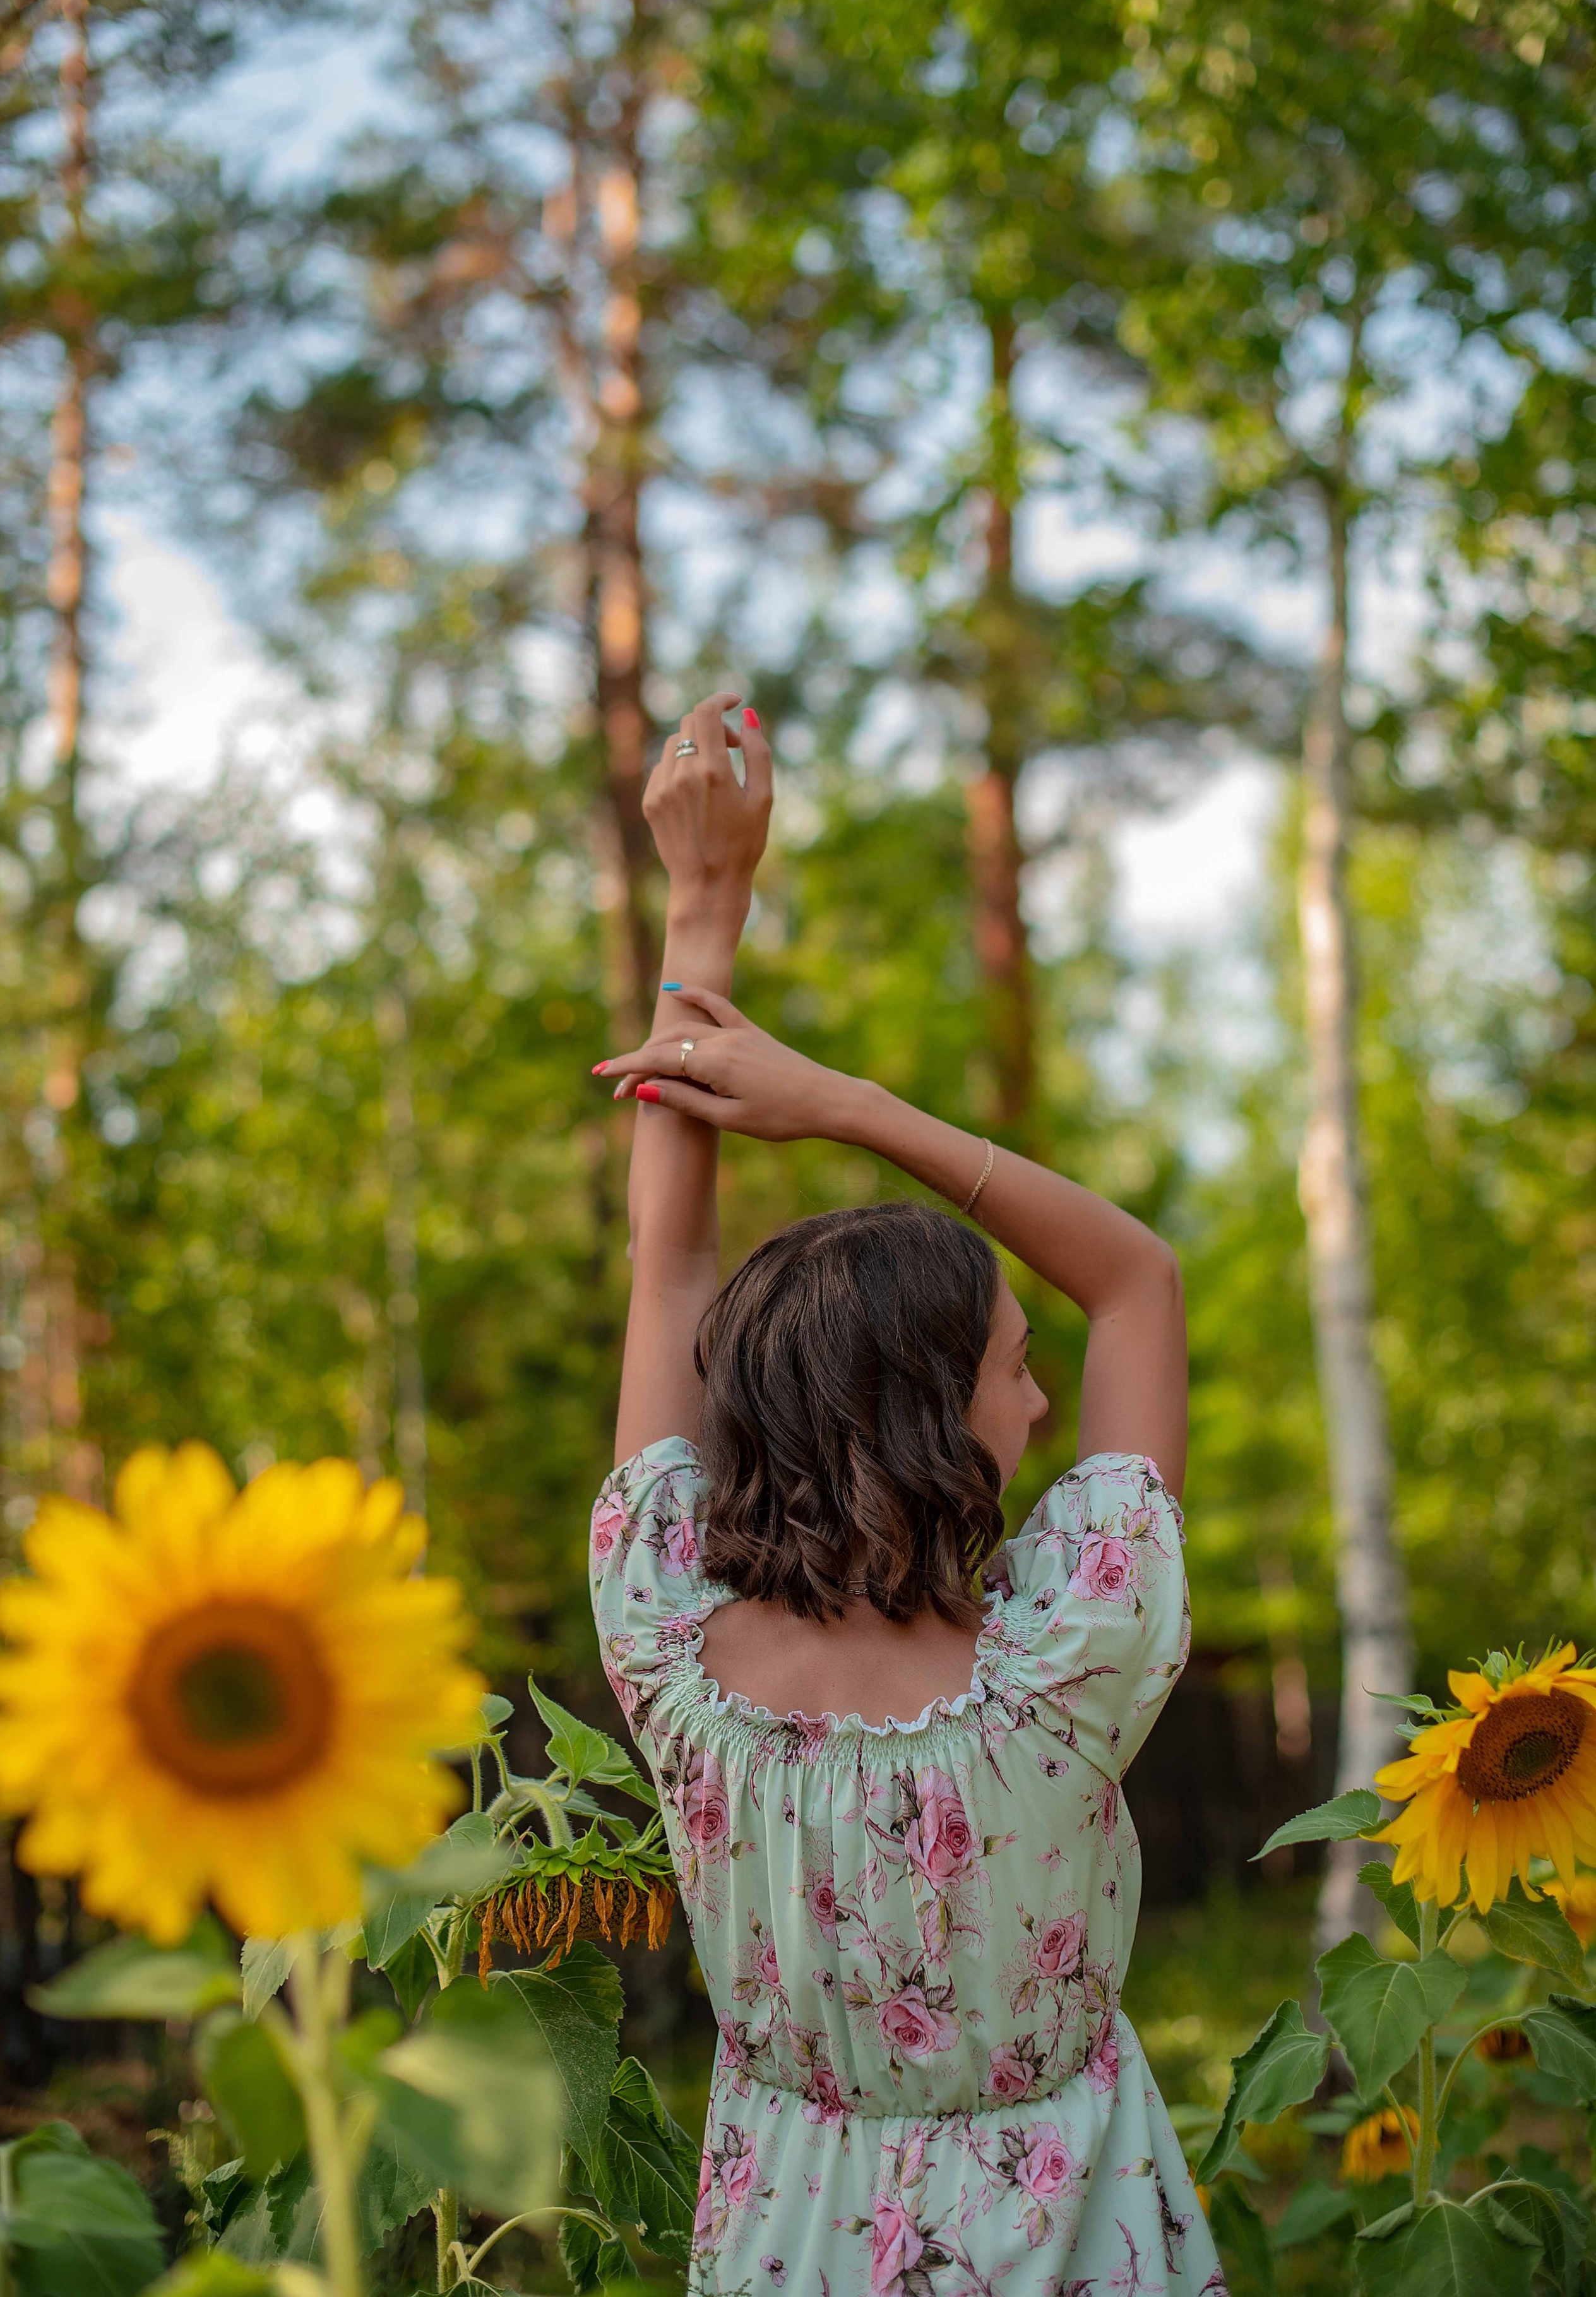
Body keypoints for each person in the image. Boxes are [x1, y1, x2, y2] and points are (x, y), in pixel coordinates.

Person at [587, 691, 1227, 2297]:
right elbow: (1137, 1280)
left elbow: (667, 1276)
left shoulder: (664, 1639)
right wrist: (847, 1105)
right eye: (1013, 1363)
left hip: (791, 2246)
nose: (1035, 1394)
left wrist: (701, 912)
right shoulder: (1065, 1663)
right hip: (1071, 2232)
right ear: (934, 1422)